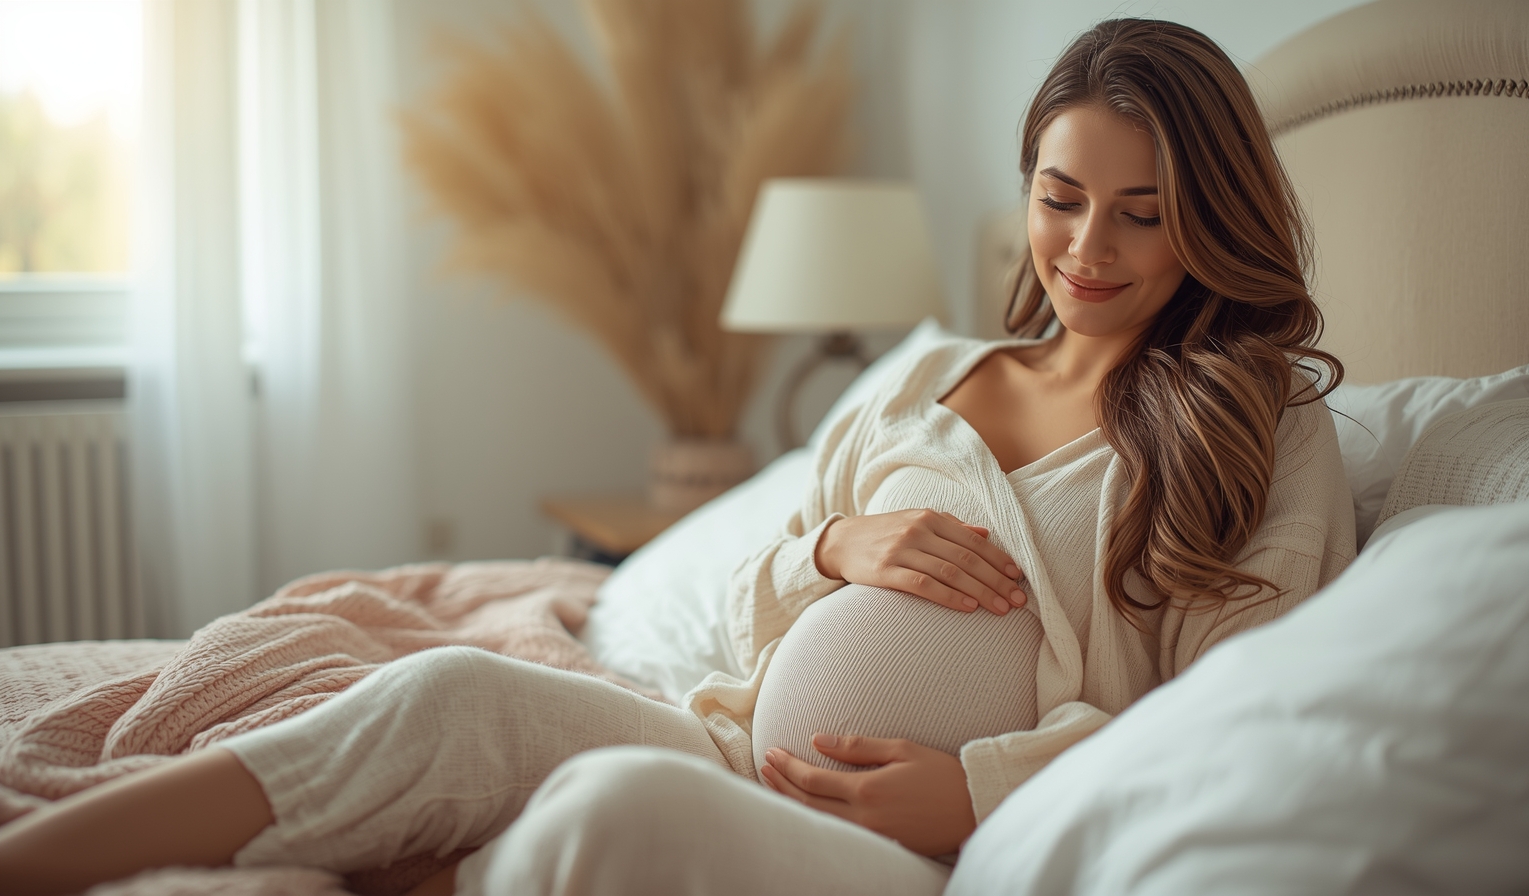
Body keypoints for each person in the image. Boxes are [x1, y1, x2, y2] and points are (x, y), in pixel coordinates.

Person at [0, 17, 1355, 896]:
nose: (1085, 252)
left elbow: (1231, 721)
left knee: (616, 814)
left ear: (1208, 224)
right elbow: (756, 596)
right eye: (1060, 201)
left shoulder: (1253, 430)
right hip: (731, 745)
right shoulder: (931, 384)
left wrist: (970, 788)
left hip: (936, 848)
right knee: (447, 692)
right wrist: (832, 544)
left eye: (1142, 215)